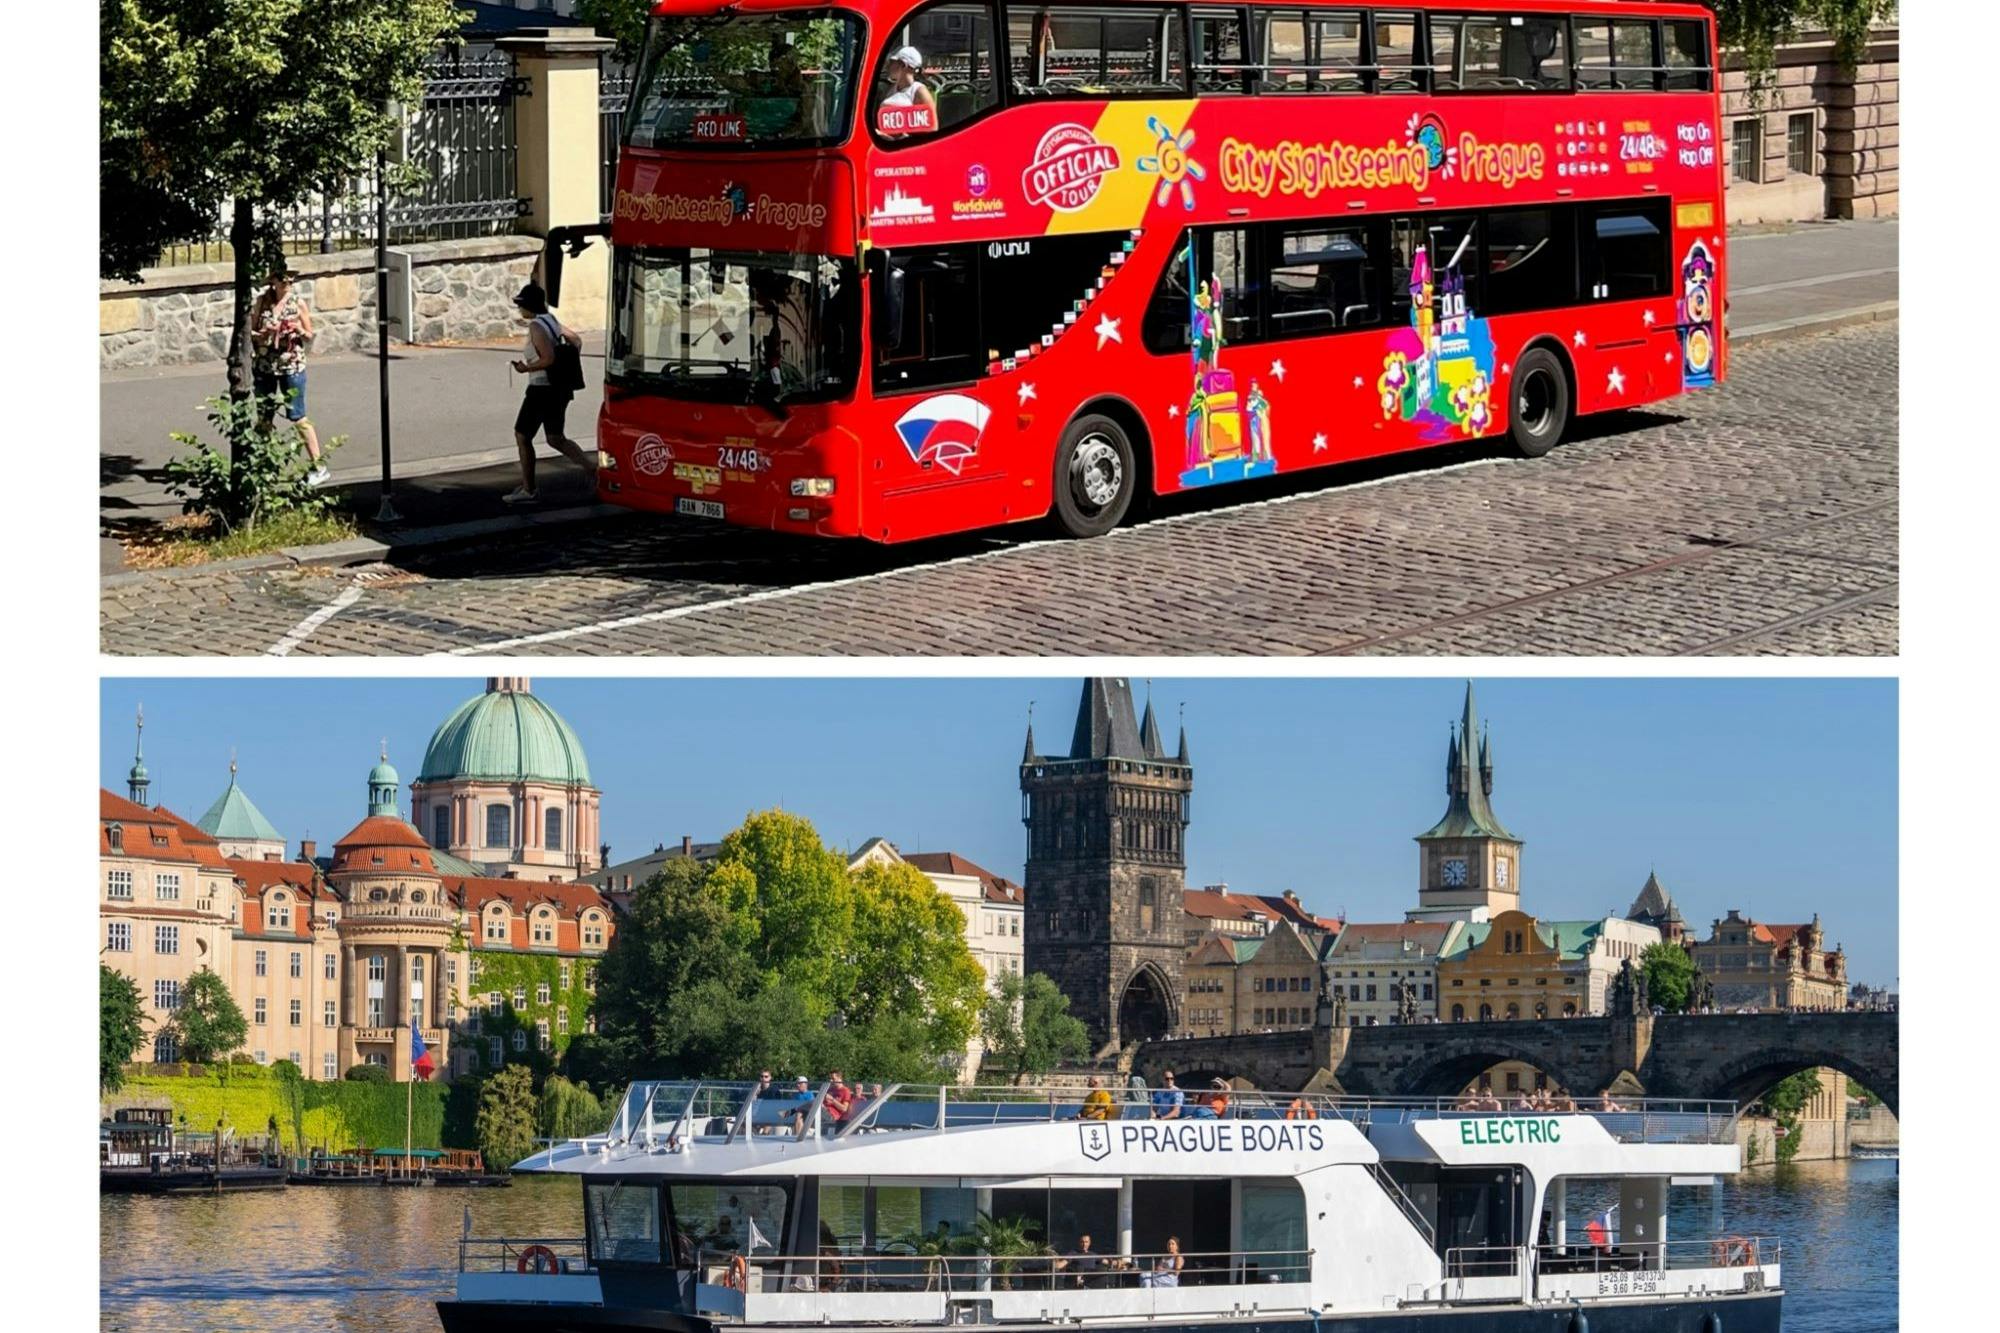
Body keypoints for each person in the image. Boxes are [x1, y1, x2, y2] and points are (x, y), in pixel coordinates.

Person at [505, 281, 594, 504]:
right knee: (555, 437)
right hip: (559, 388)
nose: (519, 309)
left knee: (522, 435)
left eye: (521, 305)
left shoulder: (536, 326)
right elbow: (576, 340)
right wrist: (568, 361)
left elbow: (548, 359)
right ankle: (592, 469)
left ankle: (529, 489)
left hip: (541, 389)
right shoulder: (551, 320)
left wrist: (526, 368)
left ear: (529, 306)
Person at [250, 264, 329, 485]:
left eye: (291, 281)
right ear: (273, 282)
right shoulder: (262, 302)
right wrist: (264, 333)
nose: (288, 284)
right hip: (265, 366)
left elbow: (309, 335)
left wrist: (297, 330)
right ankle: (263, 467)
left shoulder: (298, 303)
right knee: (264, 417)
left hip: (292, 366)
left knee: (298, 416)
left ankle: (319, 466)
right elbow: (251, 331)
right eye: (284, 280)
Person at [878, 45, 935, 132]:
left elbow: (932, 128)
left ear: (903, 65)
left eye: (892, 62)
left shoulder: (919, 91)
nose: (887, 66)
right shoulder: (891, 89)